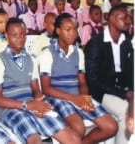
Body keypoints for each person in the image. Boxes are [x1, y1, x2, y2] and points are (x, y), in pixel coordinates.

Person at [0, 18, 82, 144]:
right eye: (14, 35)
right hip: (10, 109)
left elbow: (36, 90)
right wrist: (26, 105)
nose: (20, 39)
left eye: (22, 34)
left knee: (74, 139)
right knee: (35, 140)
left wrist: (38, 103)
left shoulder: (31, 59)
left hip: (31, 105)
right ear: (6, 35)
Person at [39, 13, 118, 144]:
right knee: (78, 128)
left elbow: (82, 82)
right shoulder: (47, 54)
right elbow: (46, 88)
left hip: (77, 96)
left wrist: (85, 97)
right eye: (68, 29)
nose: (73, 33)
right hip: (57, 97)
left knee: (111, 126)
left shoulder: (79, 52)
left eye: (75, 29)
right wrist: (74, 99)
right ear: (58, 31)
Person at [84, 4, 134, 144]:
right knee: (127, 112)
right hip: (101, 93)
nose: (128, 21)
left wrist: (130, 90)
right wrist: (123, 94)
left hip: (121, 90)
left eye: (129, 17)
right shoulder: (96, 43)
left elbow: (131, 72)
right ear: (110, 18)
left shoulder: (126, 43)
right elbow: (93, 80)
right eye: (124, 17)